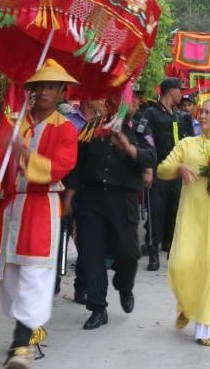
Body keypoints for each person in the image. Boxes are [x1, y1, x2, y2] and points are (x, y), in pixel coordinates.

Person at [0, 59, 78, 368]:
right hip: (10, 207)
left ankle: (20, 346)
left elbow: (60, 166)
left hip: (41, 206)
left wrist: (27, 154)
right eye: (40, 86)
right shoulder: (12, 123)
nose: (45, 91)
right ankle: (29, 323)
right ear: (31, 90)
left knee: (34, 274)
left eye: (51, 86)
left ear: (62, 91)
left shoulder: (66, 131)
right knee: (8, 278)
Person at [157, 99, 210, 346]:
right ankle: (187, 304)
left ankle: (206, 327)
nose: (201, 115)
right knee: (180, 264)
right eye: (200, 112)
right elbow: (162, 169)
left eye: (207, 112)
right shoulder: (187, 144)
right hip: (189, 216)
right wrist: (180, 167)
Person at [64, 98, 156, 330]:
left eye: (120, 99)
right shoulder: (90, 129)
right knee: (91, 254)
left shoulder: (138, 129)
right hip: (92, 200)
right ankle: (98, 308)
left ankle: (124, 286)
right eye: (109, 99)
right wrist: (68, 199)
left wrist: (129, 148)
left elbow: (150, 157)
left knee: (129, 253)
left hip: (122, 200)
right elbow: (77, 167)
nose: (112, 104)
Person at [143, 77, 194, 271]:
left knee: (175, 211)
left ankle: (171, 248)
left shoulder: (180, 117)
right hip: (158, 170)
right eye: (179, 90)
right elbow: (146, 140)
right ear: (170, 91)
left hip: (178, 171)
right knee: (156, 212)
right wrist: (147, 168)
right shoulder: (151, 113)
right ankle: (153, 253)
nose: (181, 94)